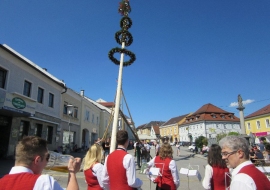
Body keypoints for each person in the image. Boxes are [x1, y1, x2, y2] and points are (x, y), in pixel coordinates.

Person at [0, 136, 81, 190]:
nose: (47, 162)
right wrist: (72, 172)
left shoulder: (2, 182)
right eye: (47, 158)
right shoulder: (44, 182)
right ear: (37, 160)